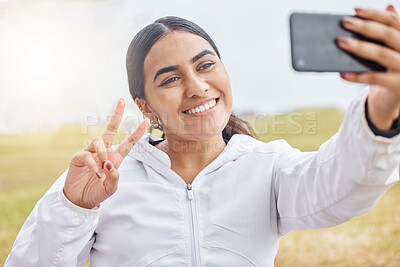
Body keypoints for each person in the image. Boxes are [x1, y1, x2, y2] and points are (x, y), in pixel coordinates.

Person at [5, 5, 400, 267]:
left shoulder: (267, 167)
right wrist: (74, 207)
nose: (196, 87)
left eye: (205, 65)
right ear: (144, 105)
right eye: (171, 78)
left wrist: (379, 115)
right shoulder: (107, 178)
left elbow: (342, 184)